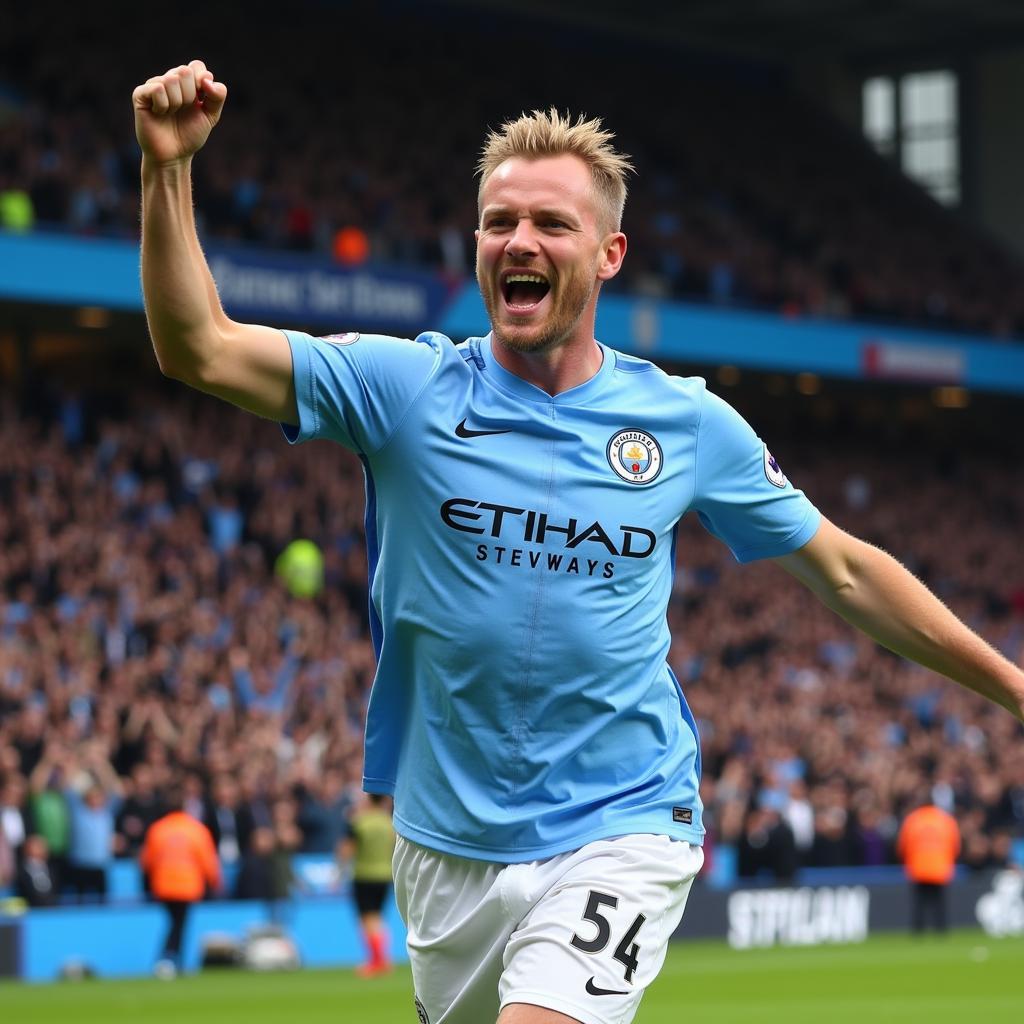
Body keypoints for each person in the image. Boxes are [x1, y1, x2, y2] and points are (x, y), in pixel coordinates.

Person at [133, 60, 1024, 1024]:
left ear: (608, 253)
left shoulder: (684, 423)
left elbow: (845, 571)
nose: (519, 240)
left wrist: (1012, 687)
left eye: (552, 224)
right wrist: (167, 170)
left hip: (625, 818)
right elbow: (200, 347)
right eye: (498, 222)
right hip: (445, 839)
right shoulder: (405, 389)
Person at [140, 787, 222, 978]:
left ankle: (173, 960)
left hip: (163, 886)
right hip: (188, 886)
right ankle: (170, 960)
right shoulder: (195, 829)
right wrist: (215, 883)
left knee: (175, 923)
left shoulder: (158, 829)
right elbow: (208, 860)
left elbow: (147, 861)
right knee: (179, 924)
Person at [339, 793, 396, 977]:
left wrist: (339, 870)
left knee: (367, 918)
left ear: (368, 800)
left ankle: (378, 961)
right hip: (385, 874)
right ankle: (382, 959)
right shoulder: (389, 823)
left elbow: (346, 850)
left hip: (364, 874)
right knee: (378, 917)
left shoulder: (359, 822)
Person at [896, 795, 961, 934]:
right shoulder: (946, 820)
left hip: (918, 867)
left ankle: (918, 931)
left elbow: (903, 845)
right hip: (940, 867)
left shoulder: (912, 820)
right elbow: (955, 845)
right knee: (939, 903)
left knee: (920, 903)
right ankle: (941, 930)